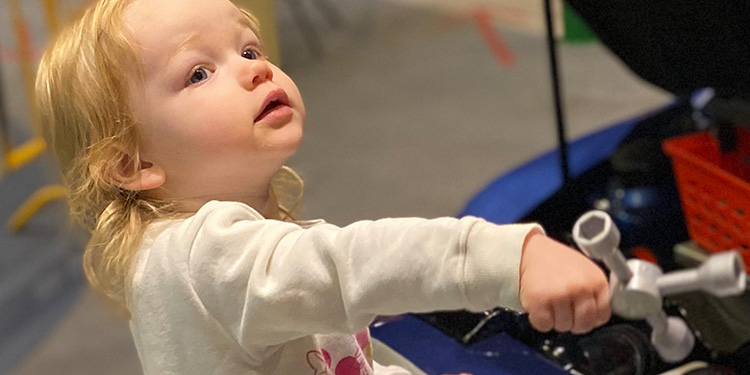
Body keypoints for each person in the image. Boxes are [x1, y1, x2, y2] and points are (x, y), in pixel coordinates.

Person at [35, 0, 611, 374]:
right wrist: (511, 255)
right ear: (133, 165)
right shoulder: (207, 256)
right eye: (198, 73)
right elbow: (348, 266)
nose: (254, 68)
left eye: (249, 48)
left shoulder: (179, 248)